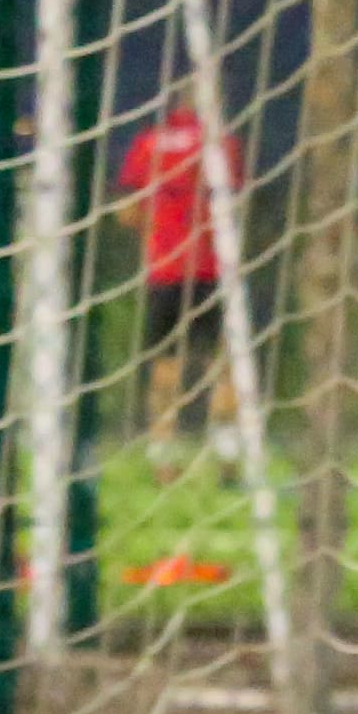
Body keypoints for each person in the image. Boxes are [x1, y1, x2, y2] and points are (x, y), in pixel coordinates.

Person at [115, 103, 232, 454]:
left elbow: (127, 210)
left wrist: (161, 231)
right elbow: (236, 198)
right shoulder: (219, 142)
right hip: (211, 270)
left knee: (165, 367)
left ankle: (163, 455)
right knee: (221, 364)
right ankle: (229, 454)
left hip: (165, 272)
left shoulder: (148, 143)